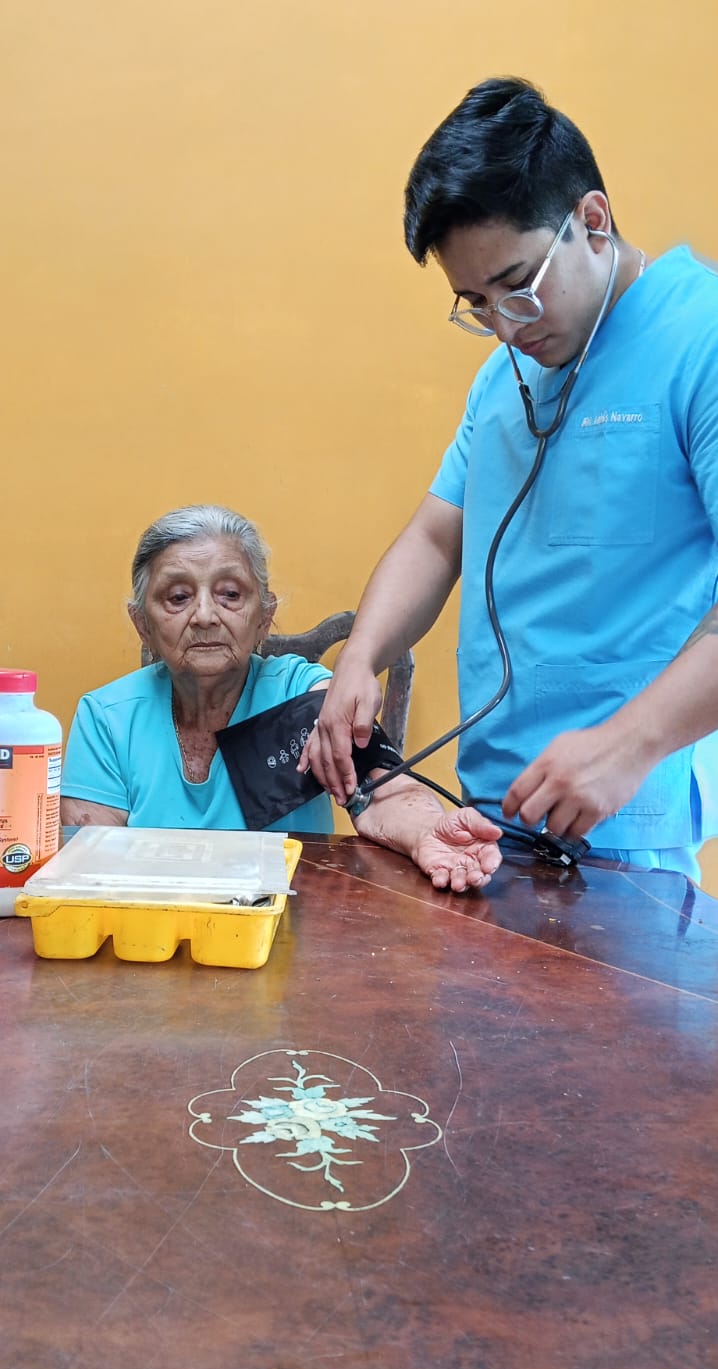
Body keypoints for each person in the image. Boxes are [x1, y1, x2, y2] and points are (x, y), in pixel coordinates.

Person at [301, 77, 718, 878]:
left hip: (624, 826)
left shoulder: (699, 340)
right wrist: (361, 657)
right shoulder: (505, 378)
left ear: (592, 221)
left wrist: (628, 747)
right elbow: (436, 536)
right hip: (487, 819)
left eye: (518, 287)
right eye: (475, 302)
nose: (503, 326)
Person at [60, 504, 502, 893]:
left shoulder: (300, 693)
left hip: (289, 930)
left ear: (264, 616)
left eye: (230, 595)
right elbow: (93, 866)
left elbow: (383, 790)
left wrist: (427, 831)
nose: (205, 616)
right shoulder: (108, 718)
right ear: (142, 624)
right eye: (178, 597)